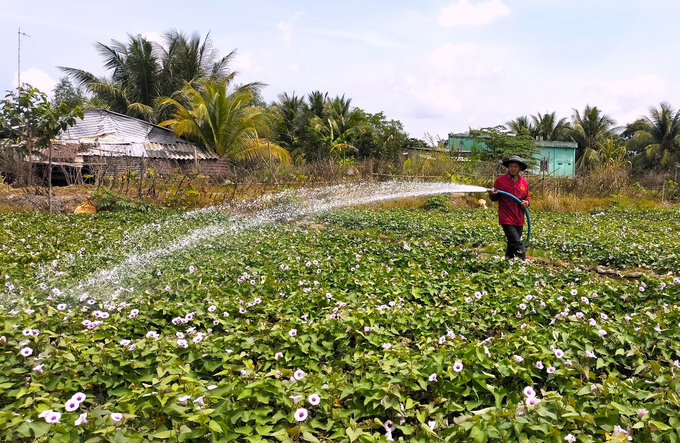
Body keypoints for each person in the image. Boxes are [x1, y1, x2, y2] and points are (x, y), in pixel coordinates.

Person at [488, 155, 531, 260]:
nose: (513, 169)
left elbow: (527, 197)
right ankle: (522, 261)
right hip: (506, 217)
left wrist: (526, 202)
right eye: (511, 166)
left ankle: (508, 262)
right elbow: (494, 198)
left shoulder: (523, 182)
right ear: (508, 167)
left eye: (515, 167)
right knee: (516, 242)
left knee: (512, 244)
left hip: (519, 217)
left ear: (519, 168)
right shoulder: (500, 180)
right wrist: (492, 193)